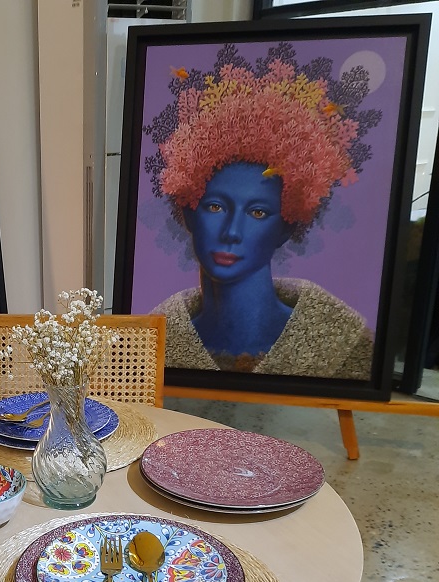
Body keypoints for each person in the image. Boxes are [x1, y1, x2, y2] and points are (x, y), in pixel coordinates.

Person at [145, 44, 380, 381]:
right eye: (215, 206)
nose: (231, 231)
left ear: (287, 225)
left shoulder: (347, 348)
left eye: (257, 213)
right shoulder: (150, 346)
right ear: (189, 212)